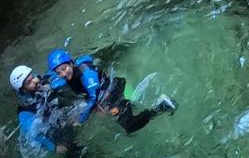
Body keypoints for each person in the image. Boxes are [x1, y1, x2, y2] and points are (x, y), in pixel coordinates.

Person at [47, 47, 175, 134]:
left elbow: (93, 98)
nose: (63, 74)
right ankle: (136, 105)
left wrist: (81, 120)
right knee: (129, 118)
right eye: (59, 72)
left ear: (71, 63)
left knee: (129, 127)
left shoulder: (86, 74)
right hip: (110, 94)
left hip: (115, 94)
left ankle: (162, 106)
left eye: (64, 68)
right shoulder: (70, 75)